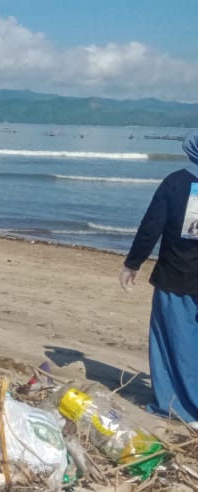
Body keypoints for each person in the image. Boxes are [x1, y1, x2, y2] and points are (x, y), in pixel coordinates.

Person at [119, 132, 198, 430]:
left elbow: (152, 225)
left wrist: (132, 263)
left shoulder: (176, 183)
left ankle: (179, 406)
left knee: (172, 341)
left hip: (176, 276)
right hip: (180, 276)